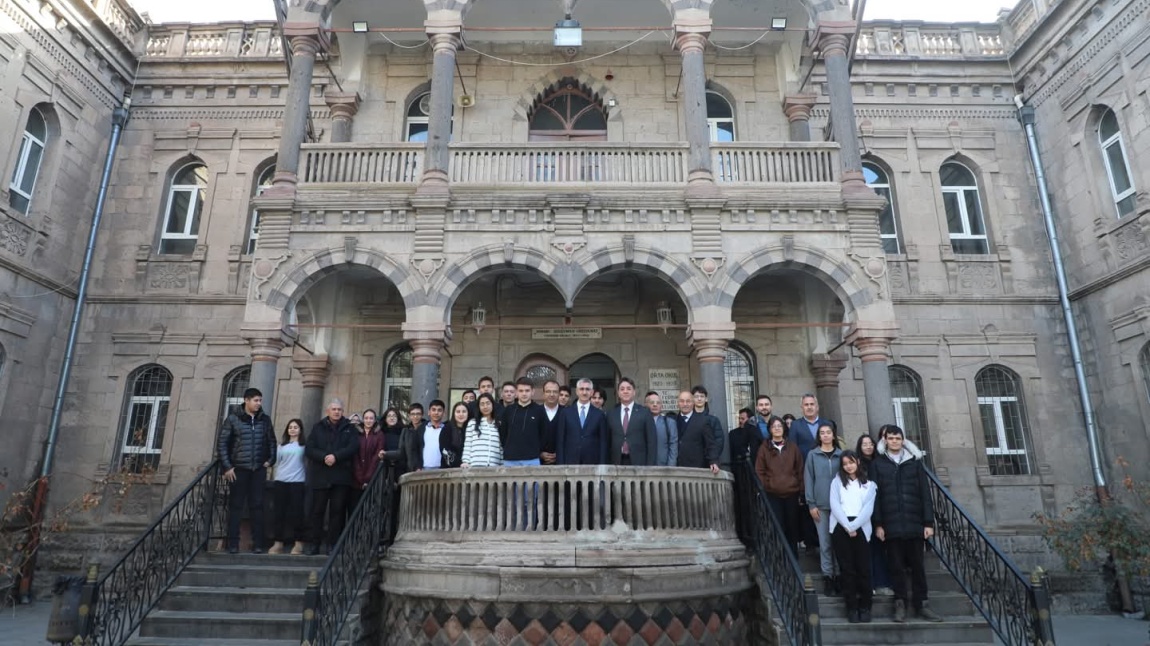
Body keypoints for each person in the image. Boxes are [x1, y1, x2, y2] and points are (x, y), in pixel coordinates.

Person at [871, 425, 942, 623]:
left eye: (897, 438)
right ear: (885, 441)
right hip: (891, 525)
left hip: (914, 523)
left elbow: (925, 495)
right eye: (891, 438)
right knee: (896, 566)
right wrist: (878, 524)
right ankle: (900, 602)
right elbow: (874, 496)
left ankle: (922, 603)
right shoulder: (878, 464)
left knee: (918, 566)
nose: (894, 441)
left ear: (903, 440)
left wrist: (928, 522)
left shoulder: (915, 463)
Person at [217, 387, 277, 554]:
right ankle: (233, 543)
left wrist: (270, 460)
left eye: (260, 400)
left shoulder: (264, 420)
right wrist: (227, 467)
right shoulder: (233, 419)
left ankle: (258, 543)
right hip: (238, 469)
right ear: (247, 400)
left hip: (258, 469)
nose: (259, 403)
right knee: (236, 506)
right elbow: (222, 443)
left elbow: (272, 441)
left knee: (257, 505)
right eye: (256, 400)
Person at [829, 450, 877, 624]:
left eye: (851, 462)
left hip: (861, 527)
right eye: (845, 464)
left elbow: (868, 509)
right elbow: (834, 504)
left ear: (857, 462)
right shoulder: (836, 483)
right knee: (847, 569)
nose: (849, 466)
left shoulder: (869, 485)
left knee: (863, 568)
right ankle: (851, 607)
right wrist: (847, 526)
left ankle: (865, 606)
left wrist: (855, 526)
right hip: (841, 527)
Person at [304, 398, 357, 555]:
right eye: (334, 409)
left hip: (341, 476)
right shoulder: (318, 427)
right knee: (317, 511)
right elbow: (310, 448)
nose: (336, 412)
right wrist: (324, 457)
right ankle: (314, 544)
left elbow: (353, 447)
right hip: (320, 476)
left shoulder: (349, 428)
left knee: (337, 512)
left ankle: (333, 545)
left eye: (339, 409)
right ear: (328, 411)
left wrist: (336, 456)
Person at [754, 415, 803, 556]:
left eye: (779, 426)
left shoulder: (793, 447)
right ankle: (779, 557)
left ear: (784, 429)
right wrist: (767, 485)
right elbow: (759, 470)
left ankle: (793, 557)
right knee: (777, 526)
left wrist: (800, 490)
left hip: (792, 493)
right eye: (774, 426)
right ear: (769, 429)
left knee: (792, 527)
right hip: (773, 494)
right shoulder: (764, 448)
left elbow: (799, 469)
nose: (777, 429)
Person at [804, 422, 844, 596]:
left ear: (833, 435)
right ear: (819, 436)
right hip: (821, 506)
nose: (826, 435)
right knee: (825, 543)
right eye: (822, 433)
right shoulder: (813, 455)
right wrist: (811, 504)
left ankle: (840, 577)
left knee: (839, 544)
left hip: (841, 508)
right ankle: (828, 577)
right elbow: (808, 479)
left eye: (829, 432)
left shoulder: (841, 455)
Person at [857, 432, 892, 596]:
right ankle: (869, 582)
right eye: (864, 444)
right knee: (867, 549)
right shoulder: (857, 465)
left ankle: (882, 582)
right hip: (864, 512)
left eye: (870, 443)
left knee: (881, 548)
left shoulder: (881, 462)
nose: (868, 447)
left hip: (882, 509)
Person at [268, 419, 307, 555]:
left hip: (297, 482)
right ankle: (278, 542)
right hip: (281, 481)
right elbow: (277, 463)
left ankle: (298, 543)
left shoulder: (304, 446)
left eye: (296, 427)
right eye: (290, 427)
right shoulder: (281, 446)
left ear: (300, 430)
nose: (292, 429)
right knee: (279, 513)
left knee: (297, 513)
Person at [556, 378, 609, 465]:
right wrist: (560, 463)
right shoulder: (565, 413)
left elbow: (603, 442)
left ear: (591, 392)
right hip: (570, 462)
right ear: (577, 391)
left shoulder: (599, 415)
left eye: (587, 389)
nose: (584, 392)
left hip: (592, 462)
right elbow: (560, 440)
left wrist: (602, 464)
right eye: (581, 389)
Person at [607, 377, 657, 466]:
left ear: (634, 392)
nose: (625, 391)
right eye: (622, 389)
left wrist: (650, 465)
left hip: (639, 462)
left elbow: (651, 441)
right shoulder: (611, 414)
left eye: (629, 389)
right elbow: (608, 441)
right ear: (618, 393)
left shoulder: (644, 412)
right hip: (616, 462)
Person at [500, 378, 547, 466]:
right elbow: (503, 433)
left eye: (527, 390)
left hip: (532, 459)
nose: (524, 393)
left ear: (533, 392)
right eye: (521, 391)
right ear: (516, 393)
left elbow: (543, 434)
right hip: (510, 460)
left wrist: (536, 450)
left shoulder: (539, 410)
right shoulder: (508, 410)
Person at [405, 400, 460, 470]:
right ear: (429, 412)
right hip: (423, 469)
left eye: (439, 410)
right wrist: (417, 467)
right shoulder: (421, 429)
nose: (436, 413)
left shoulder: (448, 429)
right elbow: (415, 449)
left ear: (444, 413)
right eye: (433, 410)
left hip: (443, 469)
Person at [674, 391, 720, 474]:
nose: (685, 404)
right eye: (682, 401)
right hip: (677, 468)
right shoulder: (672, 421)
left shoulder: (702, 421)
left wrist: (713, 461)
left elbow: (710, 443)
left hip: (696, 468)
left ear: (693, 402)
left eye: (688, 401)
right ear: (678, 403)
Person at [350, 409, 385, 515]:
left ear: (375, 420)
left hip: (372, 479)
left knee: (369, 510)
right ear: (363, 420)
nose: (368, 420)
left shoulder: (379, 435)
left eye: (371, 418)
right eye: (366, 418)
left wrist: (367, 478)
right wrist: (360, 477)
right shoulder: (356, 433)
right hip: (355, 479)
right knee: (354, 509)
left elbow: (376, 457)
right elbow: (354, 455)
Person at [462, 393, 503, 468]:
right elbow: (468, 444)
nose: (485, 406)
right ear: (478, 407)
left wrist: (502, 463)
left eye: (488, 403)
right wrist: (465, 461)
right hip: (475, 465)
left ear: (492, 405)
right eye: (482, 404)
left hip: (494, 466)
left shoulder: (498, 424)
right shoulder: (472, 423)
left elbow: (500, 447)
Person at [691, 386, 726, 467]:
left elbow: (719, 441)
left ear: (706, 399)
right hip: (692, 461)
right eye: (696, 396)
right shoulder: (688, 419)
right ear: (692, 399)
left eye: (702, 396)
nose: (699, 399)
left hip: (709, 462)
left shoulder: (714, 420)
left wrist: (712, 458)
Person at [645, 391, 678, 467]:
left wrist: (671, 465)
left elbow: (673, 444)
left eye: (658, 403)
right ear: (646, 405)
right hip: (646, 466)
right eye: (652, 402)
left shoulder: (669, 422)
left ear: (661, 406)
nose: (655, 405)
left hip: (664, 466)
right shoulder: (641, 421)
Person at [540, 379, 562, 465]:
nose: (552, 394)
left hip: (561, 462)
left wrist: (558, 454)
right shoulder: (535, 412)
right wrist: (540, 453)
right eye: (548, 391)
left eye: (555, 392)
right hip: (538, 463)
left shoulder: (567, 413)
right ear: (543, 393)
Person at [379, 407, 407, 475]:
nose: (392, 418)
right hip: (384, 468)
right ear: (385, 419)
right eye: (389, 416)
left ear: (398, 418)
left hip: (401, 468)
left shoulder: (404, 432)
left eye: (394, 416)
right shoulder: (381, 433)